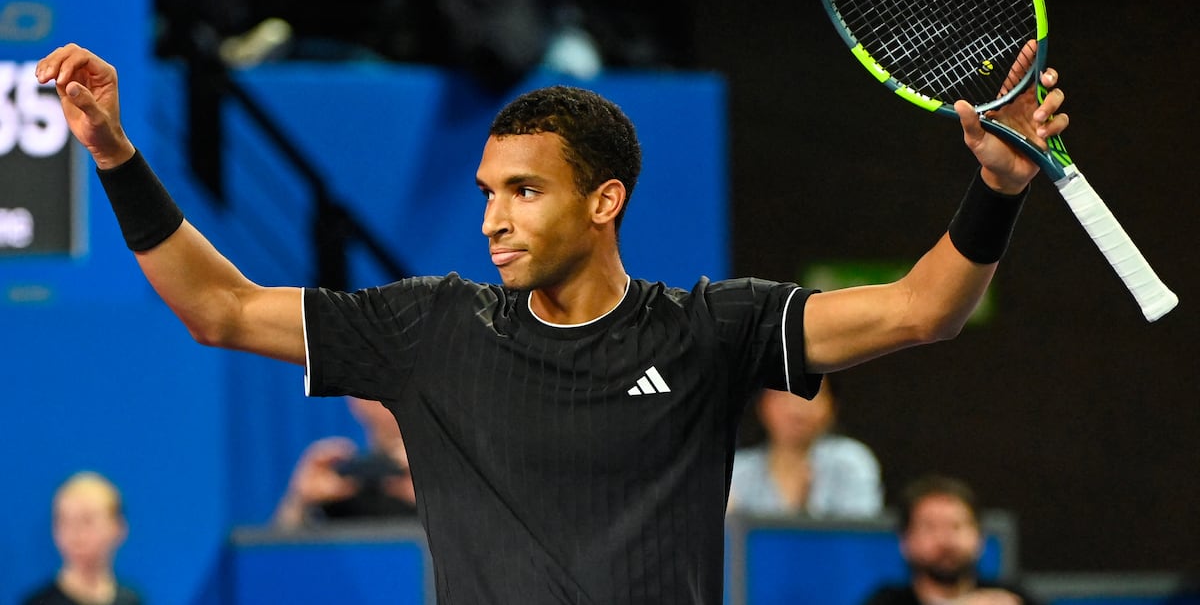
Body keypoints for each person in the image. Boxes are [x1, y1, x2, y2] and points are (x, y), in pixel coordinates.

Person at [35, 41, 1068, 604]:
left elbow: (923, 310)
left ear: (604, 201)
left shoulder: (709, 330)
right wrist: (119, 158)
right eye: (488, 190)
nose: (493, 217)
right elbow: (217, 310)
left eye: (525, 191)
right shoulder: (428, 328)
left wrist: (996, 192)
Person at [863, 475, 1041, 605]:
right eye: (930, 528)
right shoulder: (885, 601)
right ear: (905, 541)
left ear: (980, 538)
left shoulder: (1012, 598)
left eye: (956, 526)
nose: (945, 540)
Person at [729, 377, 883, 518]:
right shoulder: (735, 471)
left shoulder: (851, 462)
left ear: (832, 406)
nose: (797, 410)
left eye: (811, 393)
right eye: (784, 394)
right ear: (762, 404)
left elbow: (860, 538)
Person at [274, 397, 417, 528]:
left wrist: (430, 496)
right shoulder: (338, 481)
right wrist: (299, 503)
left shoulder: (434, 481)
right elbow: (279, 553)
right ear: (356, 400)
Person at [22, 472, 142, 605]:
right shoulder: (39, 602)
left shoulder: (131, 600)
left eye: (87, 521)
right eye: (65, 521)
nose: (75, 534)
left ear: (118, 527)